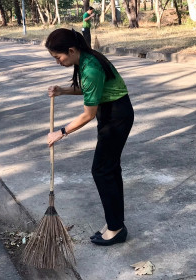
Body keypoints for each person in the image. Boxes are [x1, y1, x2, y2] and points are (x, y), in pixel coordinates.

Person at [46, 28, 134, 246]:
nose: (58, 62)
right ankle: (115, 223)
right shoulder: (85, 59)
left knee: (102, 170)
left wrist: (62, 132)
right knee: (109, 169)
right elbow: (90, 90)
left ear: (71, 49)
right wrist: (63, 90)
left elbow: (88, 114)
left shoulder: (91, 68)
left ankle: (116, 227)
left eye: (59, 57)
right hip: (111, 112)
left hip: (116, 116)